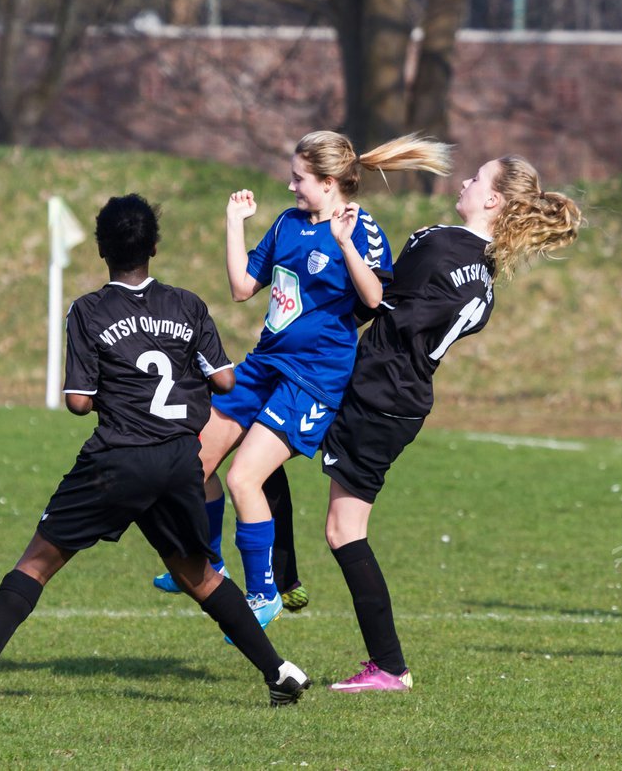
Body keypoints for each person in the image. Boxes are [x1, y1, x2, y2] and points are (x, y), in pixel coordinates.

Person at [0, 194, 310, 707]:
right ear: (154, 246)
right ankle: (280, 671)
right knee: (198, 576)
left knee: (37, 562)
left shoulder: (88, 310)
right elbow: (225, 379)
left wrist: (117, 389)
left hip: (117, 459)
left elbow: (79, 402)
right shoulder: (187, 305)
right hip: (177, 461)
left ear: (102, 248)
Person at [152, 132, 455, 628]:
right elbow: (241, 288)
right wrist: (233, 224)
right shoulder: (288, 224)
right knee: (190, 462)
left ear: (330, 182)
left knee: (243, 478)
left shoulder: (363, 228)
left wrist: (344, 245)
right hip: (265, 364)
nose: (291, 185)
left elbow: (376, 299)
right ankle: (206, 561)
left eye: (299, 178)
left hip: (312, 379)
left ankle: (264, 594)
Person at [319, 155, 582, 691]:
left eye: (477, 177)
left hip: (374, 390)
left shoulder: (438, 242)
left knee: (344, 530)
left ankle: (387, 665)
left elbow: (376, 302)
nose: (464, 180)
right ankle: (271, 579)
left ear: (493, 200)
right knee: (279, 467)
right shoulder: (483, 269)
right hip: (404, 398)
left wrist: (344, 242)